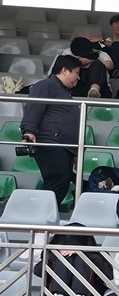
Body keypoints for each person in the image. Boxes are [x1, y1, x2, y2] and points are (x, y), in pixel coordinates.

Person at [20, 55, 83, 206]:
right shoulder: (46, 85)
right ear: (64, 70)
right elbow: (34, 107)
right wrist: (29, 131)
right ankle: (32, 210)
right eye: (76, 72)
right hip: (51, 142)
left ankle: (35, 211)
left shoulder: (63, 92)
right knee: (58, 181)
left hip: (63, 146)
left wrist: (75, 151)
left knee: (61, 182)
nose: (78, 77)